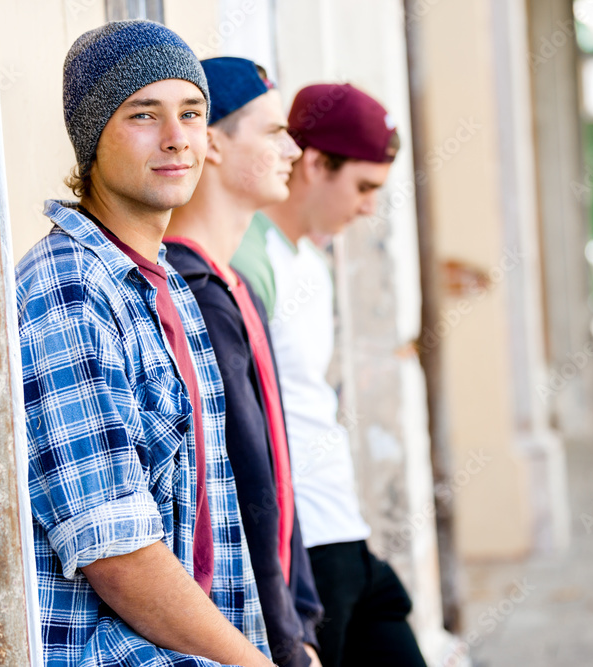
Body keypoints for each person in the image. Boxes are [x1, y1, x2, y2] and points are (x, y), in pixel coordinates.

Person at [15, 20, 273, 666]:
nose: (176, 138)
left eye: (191, 112)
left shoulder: (163, 285)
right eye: (143, 114)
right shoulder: (70, 289)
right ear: (92, 138)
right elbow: (118, 555)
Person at [232, 83, 427, 667]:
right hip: (306, 550)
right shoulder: (246, 258)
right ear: (316, 164)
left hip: (346, 536)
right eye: (364, 187)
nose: (370, 206)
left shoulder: (311, 264)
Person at [162, 57, 324, 667]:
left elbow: (280, 473)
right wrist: (283, 643)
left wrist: (302, 617)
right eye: (272, 131)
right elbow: (239, 479)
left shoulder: (237, 286)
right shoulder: (189, 290)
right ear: (213, 144)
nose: (293, 148)